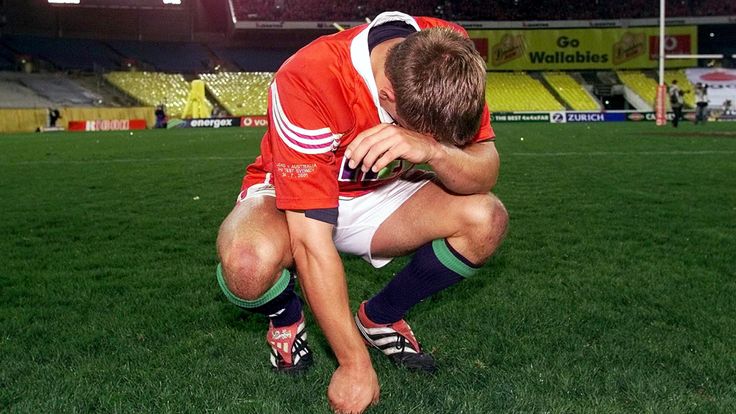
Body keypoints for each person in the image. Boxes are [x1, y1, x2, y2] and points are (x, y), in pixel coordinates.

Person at [216, 11, 508, 414]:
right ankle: (285, 316)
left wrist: (434, 150)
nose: (434, 139)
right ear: (386, 96)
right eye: (425, 131)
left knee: (485, 218)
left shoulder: (446, 52)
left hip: (384, 191)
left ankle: (379, 317)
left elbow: (484, 170)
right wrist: (354, 364)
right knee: (247, 264)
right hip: (293, 198)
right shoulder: (309, 78)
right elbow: (310, 240)